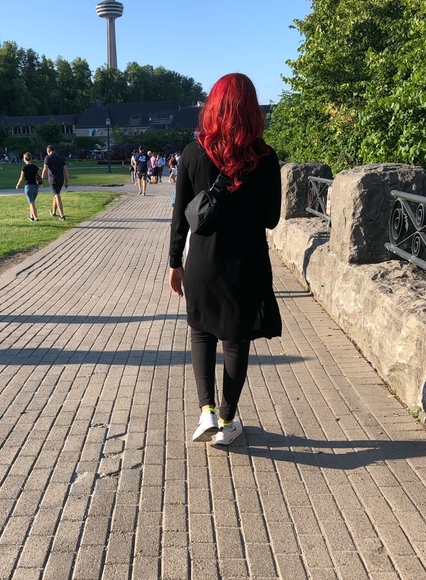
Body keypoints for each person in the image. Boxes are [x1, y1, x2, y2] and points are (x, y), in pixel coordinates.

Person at [169, 73, 282, 446]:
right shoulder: (265, 158)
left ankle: (206, 413)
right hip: (245, 265)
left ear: (213, 107)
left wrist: (174, 262)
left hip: (202, 263)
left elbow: (180, 216)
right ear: (252, 109)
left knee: (201, 332)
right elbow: (271, 219)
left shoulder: (192, 152)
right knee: (236, 340)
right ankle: (228, 421)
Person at [42, 145, 69, 221]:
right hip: (61, 180)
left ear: (48, 151)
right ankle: (54, 212)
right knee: (55, 195)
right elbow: (65, 169)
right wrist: (67, 180)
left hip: (53, 180)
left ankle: (62, 215)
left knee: (57, 196)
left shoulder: (47, 157)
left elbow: (45, 169)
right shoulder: (60, 157)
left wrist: (41, 179)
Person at [16, 152, 40, 221]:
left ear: (24, 159)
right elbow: (38, 176)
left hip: (28, 186)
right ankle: (31, 216)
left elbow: (21, 178)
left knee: (32, 203)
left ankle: (35, 217)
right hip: (35, 187)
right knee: (32, 202)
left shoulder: (24, 168)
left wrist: (18, 184)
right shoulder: (35, 167)